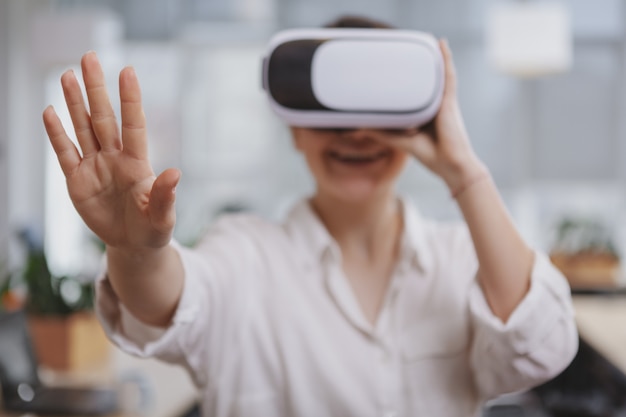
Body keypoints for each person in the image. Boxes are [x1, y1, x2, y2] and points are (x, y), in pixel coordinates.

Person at [43, 15, 578, 417]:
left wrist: (465, 171)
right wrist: (136, 251)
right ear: (294, 126)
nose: (356, 134)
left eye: (379, 113)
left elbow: (544, 349)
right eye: (329, 113)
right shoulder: (246, 252)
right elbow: (171, 302)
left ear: (418, 124)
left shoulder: (463, 258)